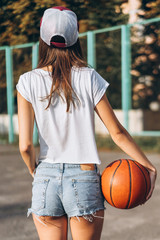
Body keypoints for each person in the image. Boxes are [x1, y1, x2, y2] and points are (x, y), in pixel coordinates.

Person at [16, 6, 157, 240]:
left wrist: (35, 171)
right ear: (76, 38)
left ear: (42, 39)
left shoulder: (26, 82)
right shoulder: (89, 76)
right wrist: (149, 167)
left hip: (45, 178)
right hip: (83, 178)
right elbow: (118, 132)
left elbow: (25, 146)